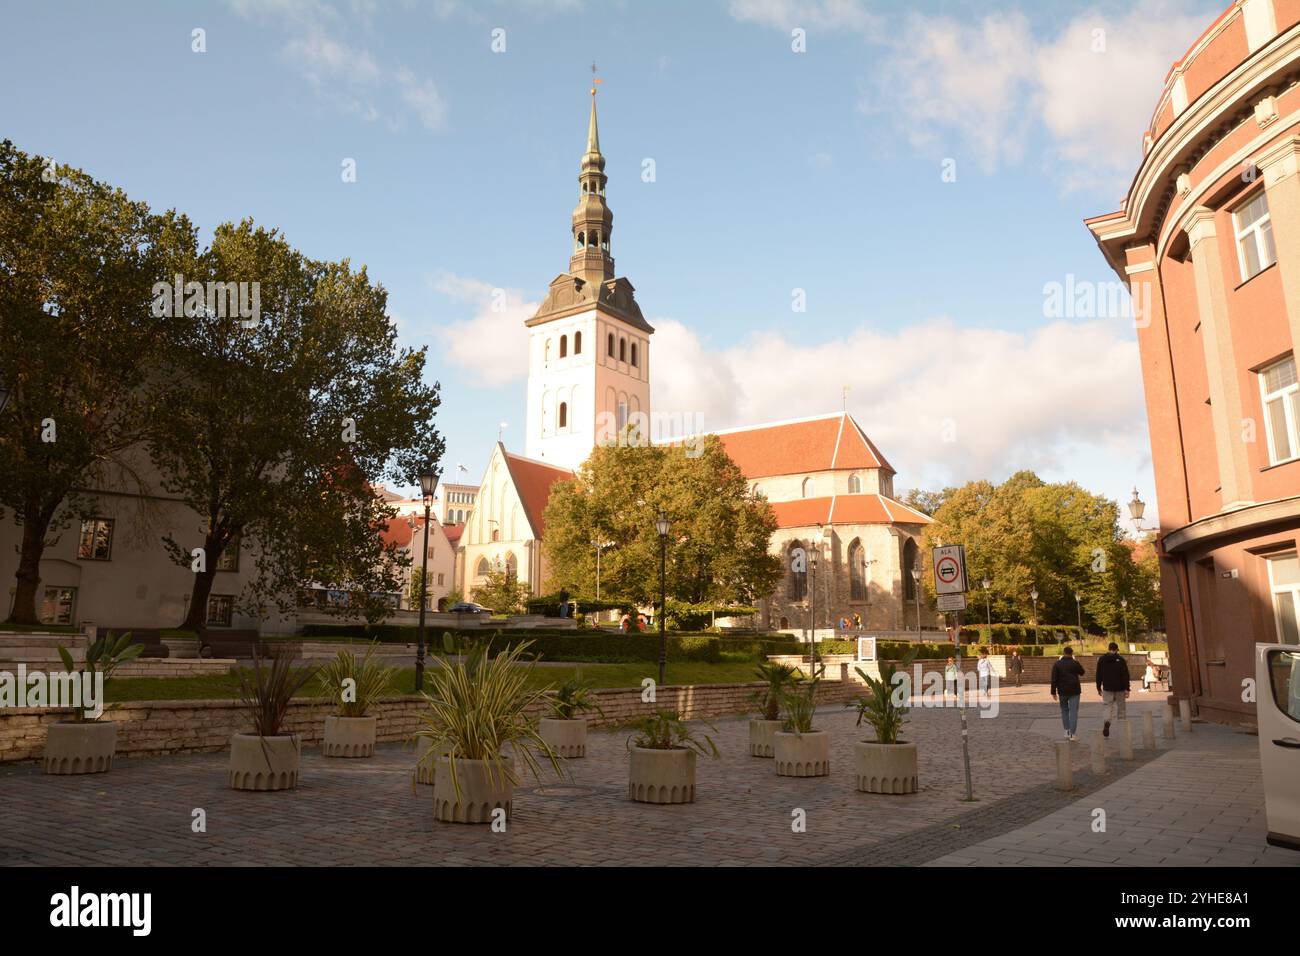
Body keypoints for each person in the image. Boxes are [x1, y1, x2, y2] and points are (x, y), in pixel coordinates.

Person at [1095, 641, 1132, 737]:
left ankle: (1107, 721)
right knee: (1121, 708)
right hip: (1120, 688)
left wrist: (1098, 687)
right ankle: (1122, 729)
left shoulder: (1102, 659)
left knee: (1107, 706)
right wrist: (1127, 688)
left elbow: (1098, 674)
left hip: (1107, 688)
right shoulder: (1121, 660)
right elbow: (1125, 675)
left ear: (1108, 649)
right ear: (1116, 649)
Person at [1050, 645, 1086, 741]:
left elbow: (1054, 679)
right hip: (1075, 690)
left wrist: (1053, 692)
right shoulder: (1075, 663)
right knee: (1073, 712)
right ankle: (1073, 735)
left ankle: (1066, 731)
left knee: (1064, 711)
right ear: (1072, 653)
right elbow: (1082, 672)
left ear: (1063, 653)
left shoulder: (1057, 664)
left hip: (1062, 691)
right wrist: (1076, 662)